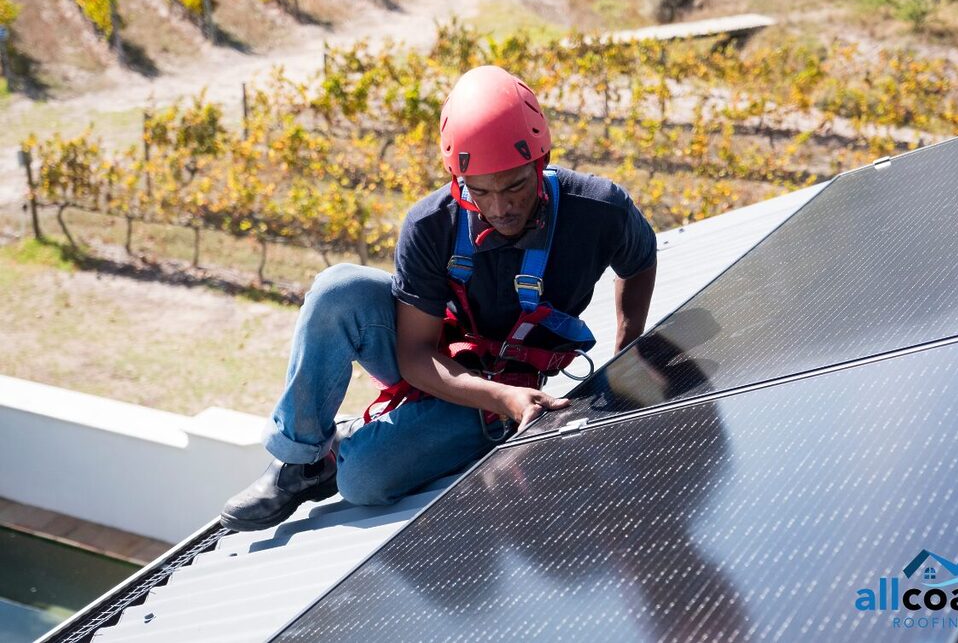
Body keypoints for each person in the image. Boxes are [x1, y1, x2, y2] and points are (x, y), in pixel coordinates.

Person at [220, 65, 658, 531]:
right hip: (437, 354)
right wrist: (497, 396)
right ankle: (301, 461)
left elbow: (639, 258)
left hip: (511, 386)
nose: (499, 207)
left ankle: (352, 450)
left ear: (539, 161)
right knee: (338, 289)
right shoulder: (431, 225)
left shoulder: (598, 209)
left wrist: (626, 355)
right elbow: (413, 354)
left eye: (514, 185)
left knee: (362, 481)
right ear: (457, 178)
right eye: (480, 191)